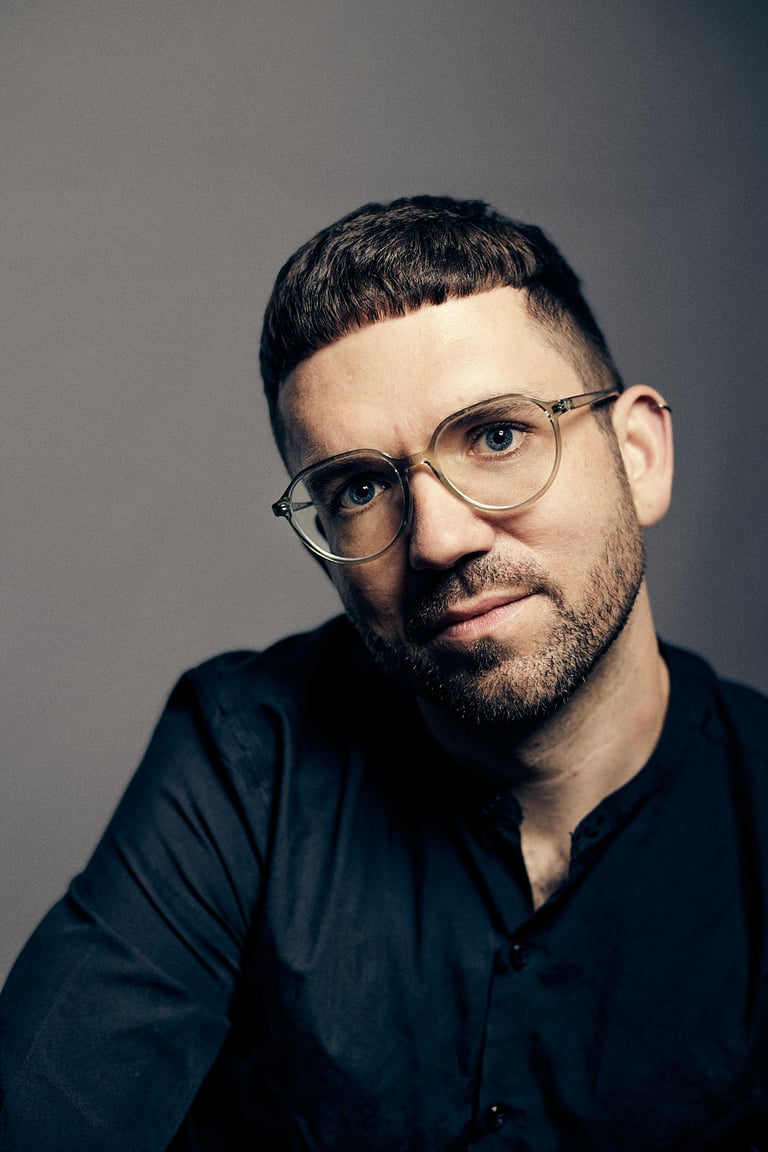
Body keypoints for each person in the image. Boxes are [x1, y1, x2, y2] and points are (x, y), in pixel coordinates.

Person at [1, 195, 766, 1152]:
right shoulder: (248, 752)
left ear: (639, 455)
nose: (440, 540)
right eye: (359, 488)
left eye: (496, 436)